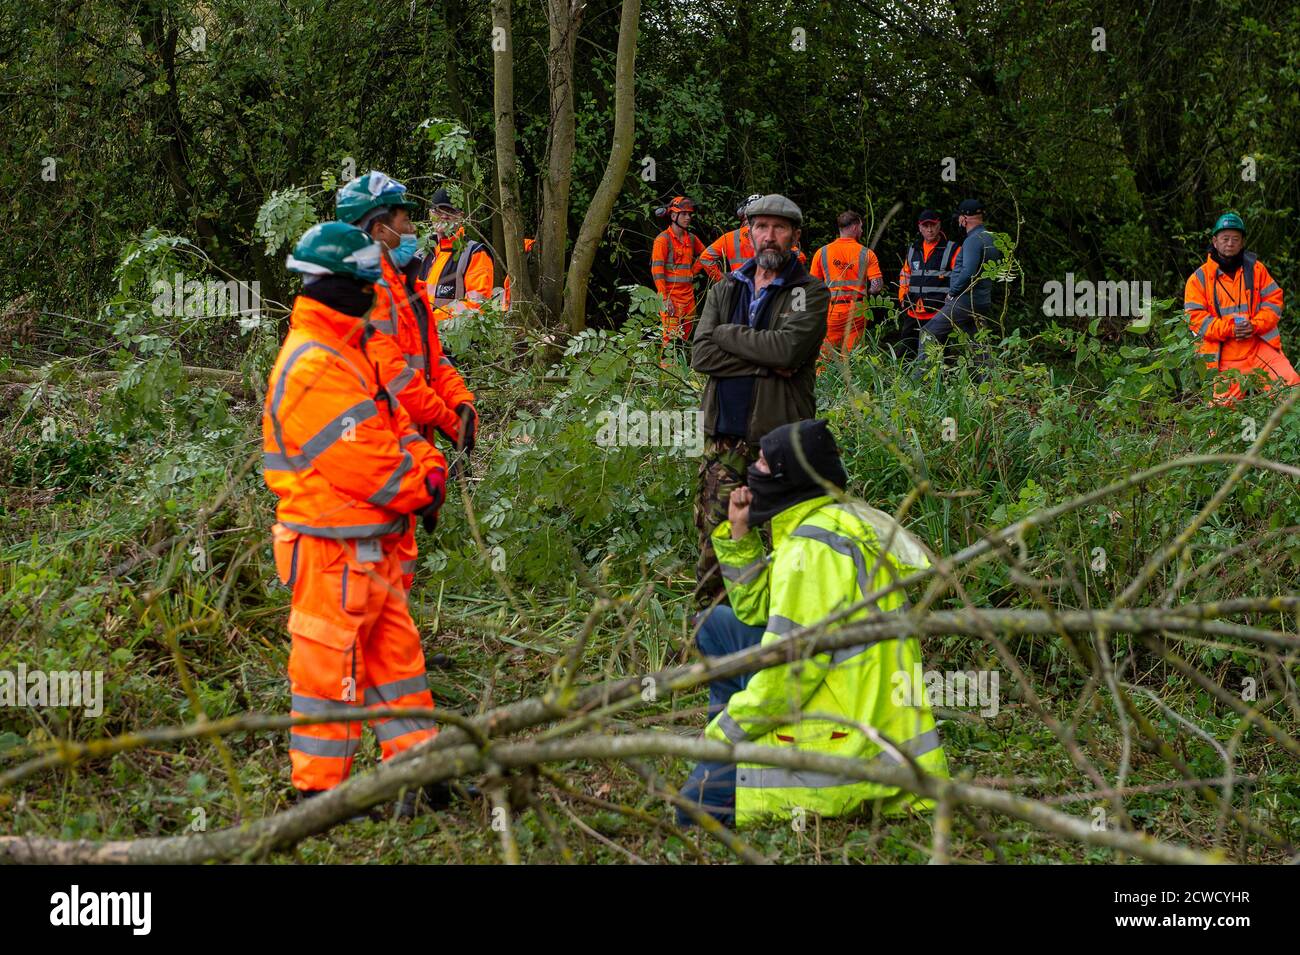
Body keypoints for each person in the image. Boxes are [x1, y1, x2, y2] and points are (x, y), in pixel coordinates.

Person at [678, 419, 950, 827]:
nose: (754, 470)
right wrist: (740, 533)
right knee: (717, 623)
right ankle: (731, 741)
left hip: (843, 731)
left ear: (793, 477)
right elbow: (757, 612)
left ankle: (730, 755)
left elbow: (791, 674)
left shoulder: (812, 551)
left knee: (691, 812)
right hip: (850, 694)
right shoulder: (827, 522)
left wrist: (726, 733)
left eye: (766, 465)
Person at [262, 221, 446, 800]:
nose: (376, 295)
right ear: (341, 287)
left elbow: (394, 424)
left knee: (399, 666)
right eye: (367, 284)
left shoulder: (353, 349)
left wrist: (429, 463)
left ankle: (420, 776)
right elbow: (373, 465)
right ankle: (317, 797)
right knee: (327, 678)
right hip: (328, 553)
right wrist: (424, 485)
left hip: (372, 550)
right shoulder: (315, 364)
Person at [335, 172, 476, 591]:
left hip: (409, 448)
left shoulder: (406, 286)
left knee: (397, 566)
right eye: (407, 222)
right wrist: (451, 421)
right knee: (374, 569)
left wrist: (462, 402)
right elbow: (394, 378)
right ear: (380, 230)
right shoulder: (366, 291)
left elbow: (434, 361)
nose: (416, 230)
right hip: (378, 447)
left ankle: (396, 651)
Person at [690, 194, 829, 610]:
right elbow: (701, 355)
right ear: (748, 234)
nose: (770, 236)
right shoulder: (726, 288)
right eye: (762, 227)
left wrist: (726, 335)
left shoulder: (809, 292)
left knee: (784, 542)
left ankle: (782, 631)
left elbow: (788, 351)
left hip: (780, 441)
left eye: (779, 228)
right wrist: (765, 361)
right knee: (716, 539)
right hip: (724, 439)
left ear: (795, 236)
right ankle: (713, 632)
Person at [1185, 212, 1296, 405]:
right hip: (1225, 355)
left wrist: (1254, 325)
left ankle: (1291, 434)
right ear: (1215, 241)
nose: (1230, 243)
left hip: (1258, 346)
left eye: (1235, 239)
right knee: (1221, 419)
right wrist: (1229, 329)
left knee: (1292, 389)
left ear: (1242, 242)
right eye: (1225, 238)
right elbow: (1195, 319)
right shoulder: (1199, 278)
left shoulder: (1256, 270)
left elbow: (1274, 301)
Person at [915, 198, 1001, 371]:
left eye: (959, 217)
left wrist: (952, 292)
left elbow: (968, 271)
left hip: (964, 300)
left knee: (928, 333)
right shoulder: (991, 238)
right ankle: (989, 385)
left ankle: (920, 381)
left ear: (964, 218)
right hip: (982, 299)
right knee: (979, 345)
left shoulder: (973, 240)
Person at [810, 210, 883, 363]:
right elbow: (877, 286)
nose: (862, 231)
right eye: (861, 227)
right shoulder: (866, 253)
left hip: (832, 311)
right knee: (854, 358)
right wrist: (869, 291)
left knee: (823, 358)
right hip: (857, 311)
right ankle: (850, 386)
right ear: (855, 227)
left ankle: (820, 384)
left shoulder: (822, 252)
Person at [419, 187, 495, 322]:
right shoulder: (422, 253)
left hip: (452, 339)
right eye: (439, 210)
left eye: (450, 211)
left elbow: (477, 306)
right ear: (430, 214)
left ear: (461, 216)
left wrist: (432, 319)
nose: (444, 216)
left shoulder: (475, 253)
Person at [696, 193, 807, 283]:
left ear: (744, 214)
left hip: (738, 291)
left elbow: (705, 258)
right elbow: (800, 257)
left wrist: (722, 281)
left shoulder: (729, 237)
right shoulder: (774, 236)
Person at [896, 209, 959, 358]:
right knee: (905, 355)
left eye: (933, 225)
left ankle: (941, 381)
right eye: (926, 226)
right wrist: (902, 296)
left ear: (939, 225)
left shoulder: (952, 249)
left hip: (938, 313)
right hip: (913, 312)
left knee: (937, 356)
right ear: (920, 228)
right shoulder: (913, 249)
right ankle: (905, 381)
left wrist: (951, 303)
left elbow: (959, 278)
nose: (929, 229)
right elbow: (905, 274)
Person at [650, 196, 706, 352]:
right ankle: (666, 371)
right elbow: (657, 271)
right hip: (670, 297)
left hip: (688, 298)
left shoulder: (692, 239)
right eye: (684, 214)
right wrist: (664, 298)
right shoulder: (663, 240)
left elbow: (707, 255)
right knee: (670, 341)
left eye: (689, 214)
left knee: (683, 340)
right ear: (673, 216)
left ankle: (678, 372)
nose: (688, 217)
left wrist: (693, 271)